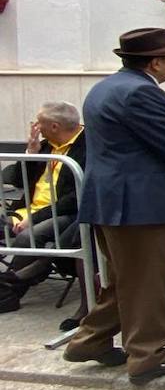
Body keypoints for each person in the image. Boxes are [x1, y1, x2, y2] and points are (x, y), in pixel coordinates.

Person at [62, 28, 165, 384]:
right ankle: (149, 355)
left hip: (112, 200)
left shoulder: (105, 88)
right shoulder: (142, 94)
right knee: (147, 282)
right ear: (156, 61)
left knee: (122, 282)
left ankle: (90, 341)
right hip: (140, 205)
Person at [0, 102, 87, 316]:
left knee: (28, 237)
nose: (36, 128)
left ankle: (9, 293)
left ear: (55, 126)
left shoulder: (87, 147)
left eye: (39, 124)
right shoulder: (47, 144)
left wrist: (35, 218)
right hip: (26, 211)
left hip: (63, 214)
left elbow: (74, 199)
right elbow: (19, 182)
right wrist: (31, 152)